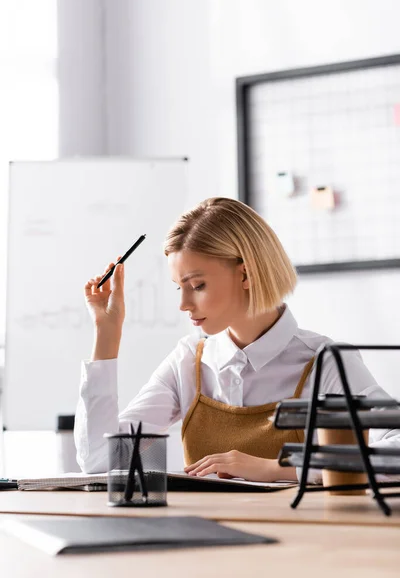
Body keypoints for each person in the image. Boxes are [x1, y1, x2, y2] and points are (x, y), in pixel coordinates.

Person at [75, 197, 400, 481]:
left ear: (245, 274)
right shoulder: (189, 360)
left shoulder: (325, 362)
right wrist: (107, 332)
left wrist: (280, 468)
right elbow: (100, 459)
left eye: (197, 285)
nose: (184, 304)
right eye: (180, 287)